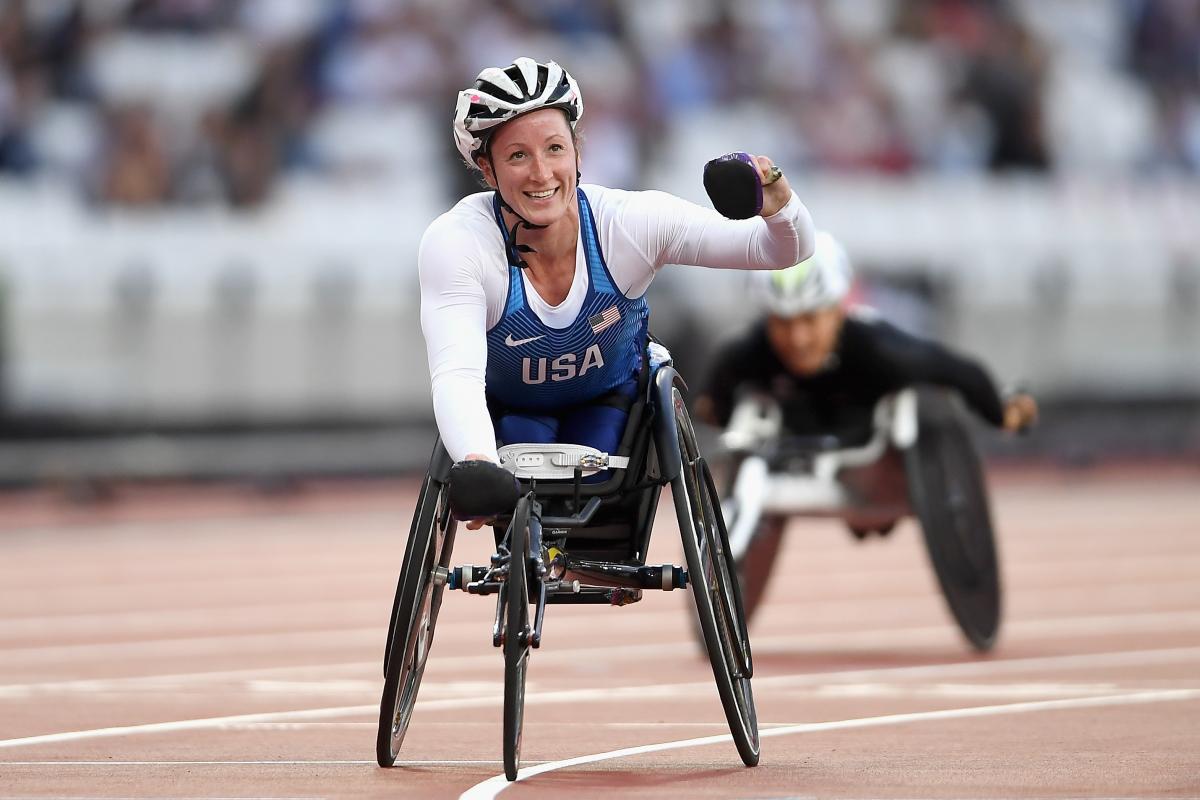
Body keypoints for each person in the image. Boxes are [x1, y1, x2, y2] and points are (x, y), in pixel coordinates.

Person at [418, 58, 816, 522]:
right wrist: (477, 461)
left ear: (578, 152)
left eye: (554, 148)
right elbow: (456, 373)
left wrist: (777, 200)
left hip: (611, 403)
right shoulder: (458, 243)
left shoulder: (628, 224)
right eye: (518, 156)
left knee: (594, 488)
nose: (542, 173)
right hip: (512, 409)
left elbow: (780, 250)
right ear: (487, 169)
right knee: (521, 488)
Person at [695, 230, 1038, 442]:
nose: (798, 339)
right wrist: (718, 415)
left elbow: (963, 371)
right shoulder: (744, 352)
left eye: (810, 320)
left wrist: (1002, 414)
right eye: (783, 323)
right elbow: (712, 402)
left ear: (837, 310)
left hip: (871, 433)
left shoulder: (879, 350)